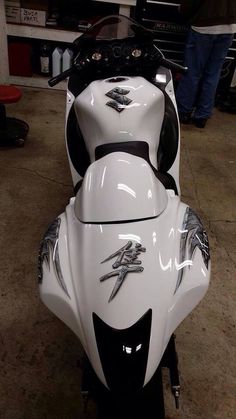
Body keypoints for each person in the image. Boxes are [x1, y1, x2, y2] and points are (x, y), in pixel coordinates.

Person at [176, 0, 236, 128]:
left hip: (204, 25)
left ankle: (183, 112)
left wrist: (183, 9)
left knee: (192, 72)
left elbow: (189, 5)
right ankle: (202, 116)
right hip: (229, 26)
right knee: (213, 74)